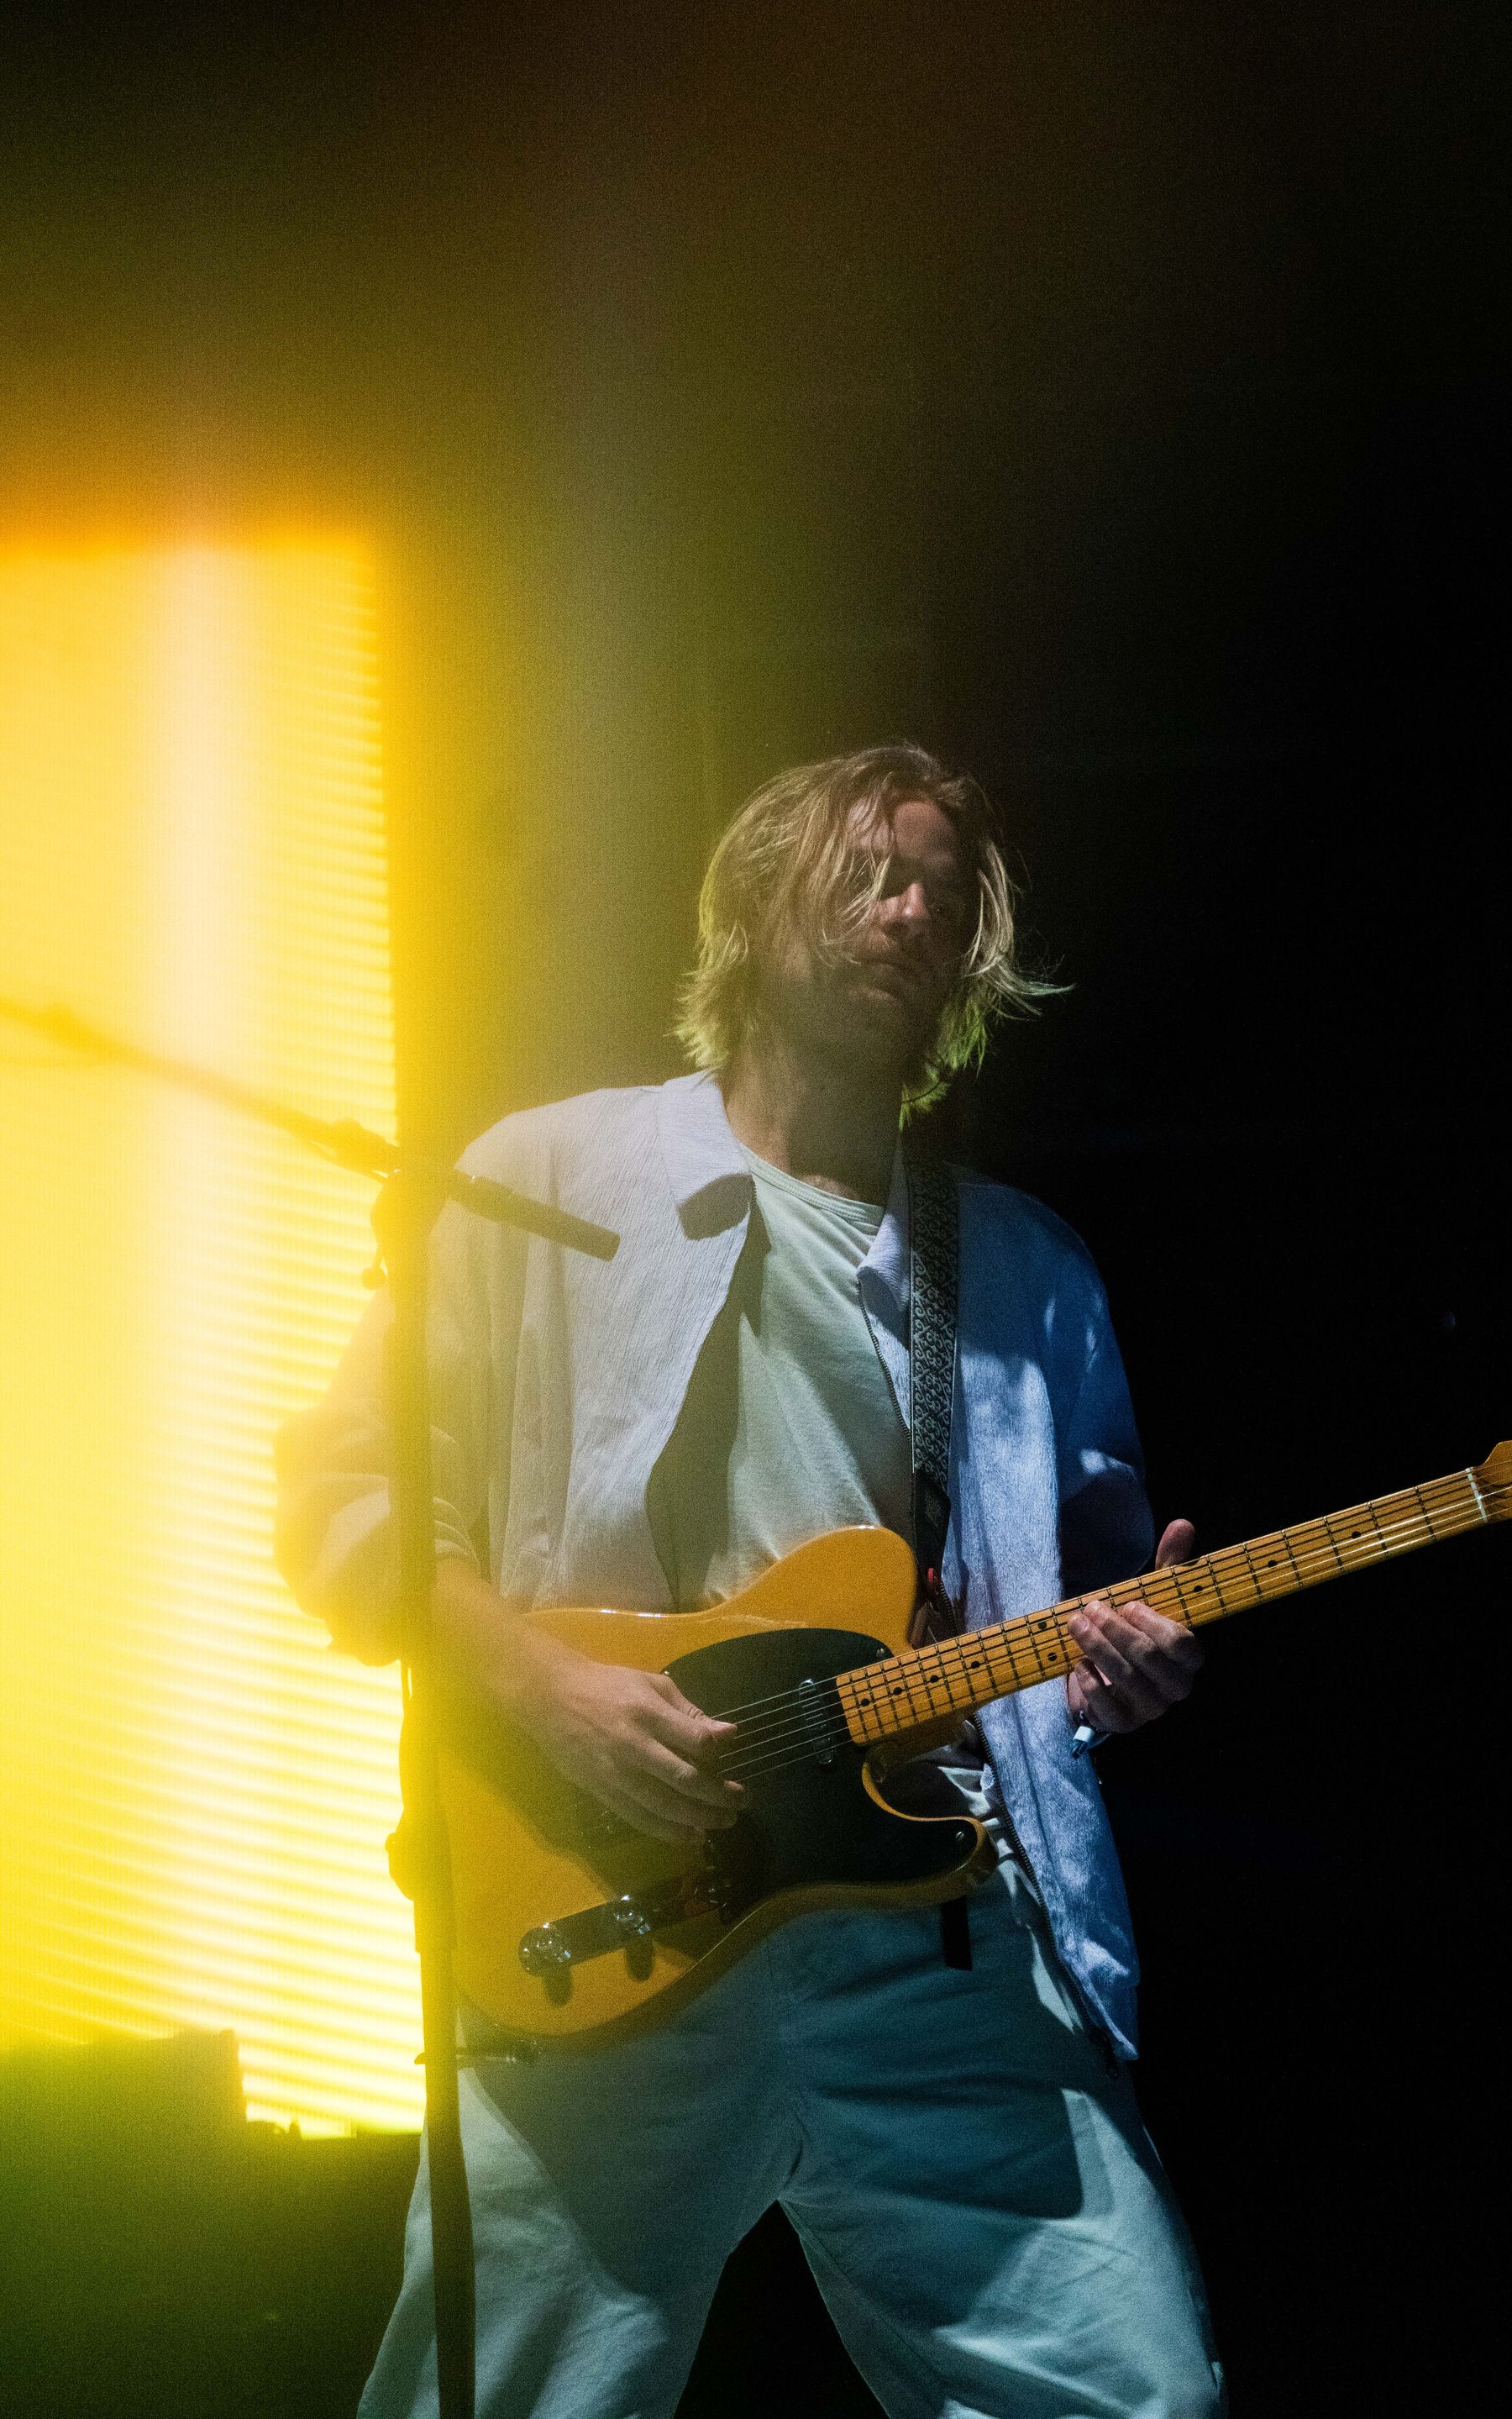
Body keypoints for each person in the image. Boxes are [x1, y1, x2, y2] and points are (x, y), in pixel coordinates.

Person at [276, 744, 1226, 2417]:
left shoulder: (1022, 1265)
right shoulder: (542, 1182)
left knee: (1138, 2393)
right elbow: (348, 1499)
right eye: (869, 869)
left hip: (929, 1935)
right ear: (756, 903)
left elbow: (1087, 1592)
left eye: (941, 888)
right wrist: (540, 1688)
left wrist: (1125, 1659)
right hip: (606, 1920)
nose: (909, 907)